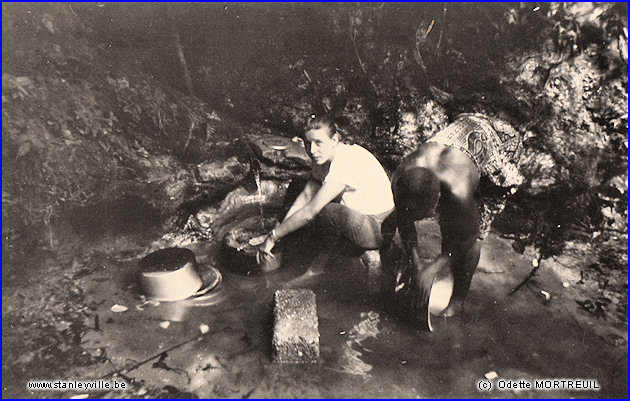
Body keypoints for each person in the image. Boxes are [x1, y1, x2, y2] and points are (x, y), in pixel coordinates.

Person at [386, 113, 523, 318]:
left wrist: (434, 267)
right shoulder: (401, 177)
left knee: (466, 235)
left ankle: (458, 300)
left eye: (426, 214)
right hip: (463, 133)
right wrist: (415, 262)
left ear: (439, 198)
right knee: (445, 229)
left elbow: (468, 236)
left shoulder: (458, 189)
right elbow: (403, 218)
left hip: (502, 144)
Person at [254, 114, 395, 285]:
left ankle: (316, 269)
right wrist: (276, 231)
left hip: (377, 227)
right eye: (307, 143)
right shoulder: (325, 156)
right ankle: (289, 243)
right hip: (357, 216)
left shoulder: (344, 162)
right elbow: (306, 196)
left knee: (328, 212)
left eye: (318, 143)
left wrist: (272, 236)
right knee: (299, 187)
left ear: (334, 139)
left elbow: (309, 212)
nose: (312, 150)